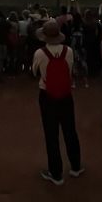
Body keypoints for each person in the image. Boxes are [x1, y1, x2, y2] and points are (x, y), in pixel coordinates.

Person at [32, 20, 83, 186]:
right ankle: (76, 166)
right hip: (66, 95)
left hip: (47, 95)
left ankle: (56, 173)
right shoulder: (68, 51)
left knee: (51, 134)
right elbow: (70, 69)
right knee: (70, 130)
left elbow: (34, 71)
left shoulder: (40, 53)